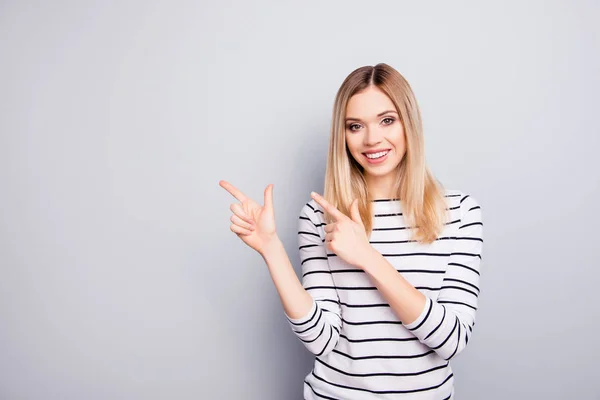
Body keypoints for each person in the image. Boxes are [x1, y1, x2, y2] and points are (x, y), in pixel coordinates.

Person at [219, 63, 483, 400]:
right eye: (355, 126)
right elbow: (321, 339)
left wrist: (367, 257)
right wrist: (270, 248)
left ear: (409, 124)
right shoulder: (320, 216)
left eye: (387, 120)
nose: (372, 139)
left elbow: (451, 340)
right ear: (342, 136)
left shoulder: (459, 212)